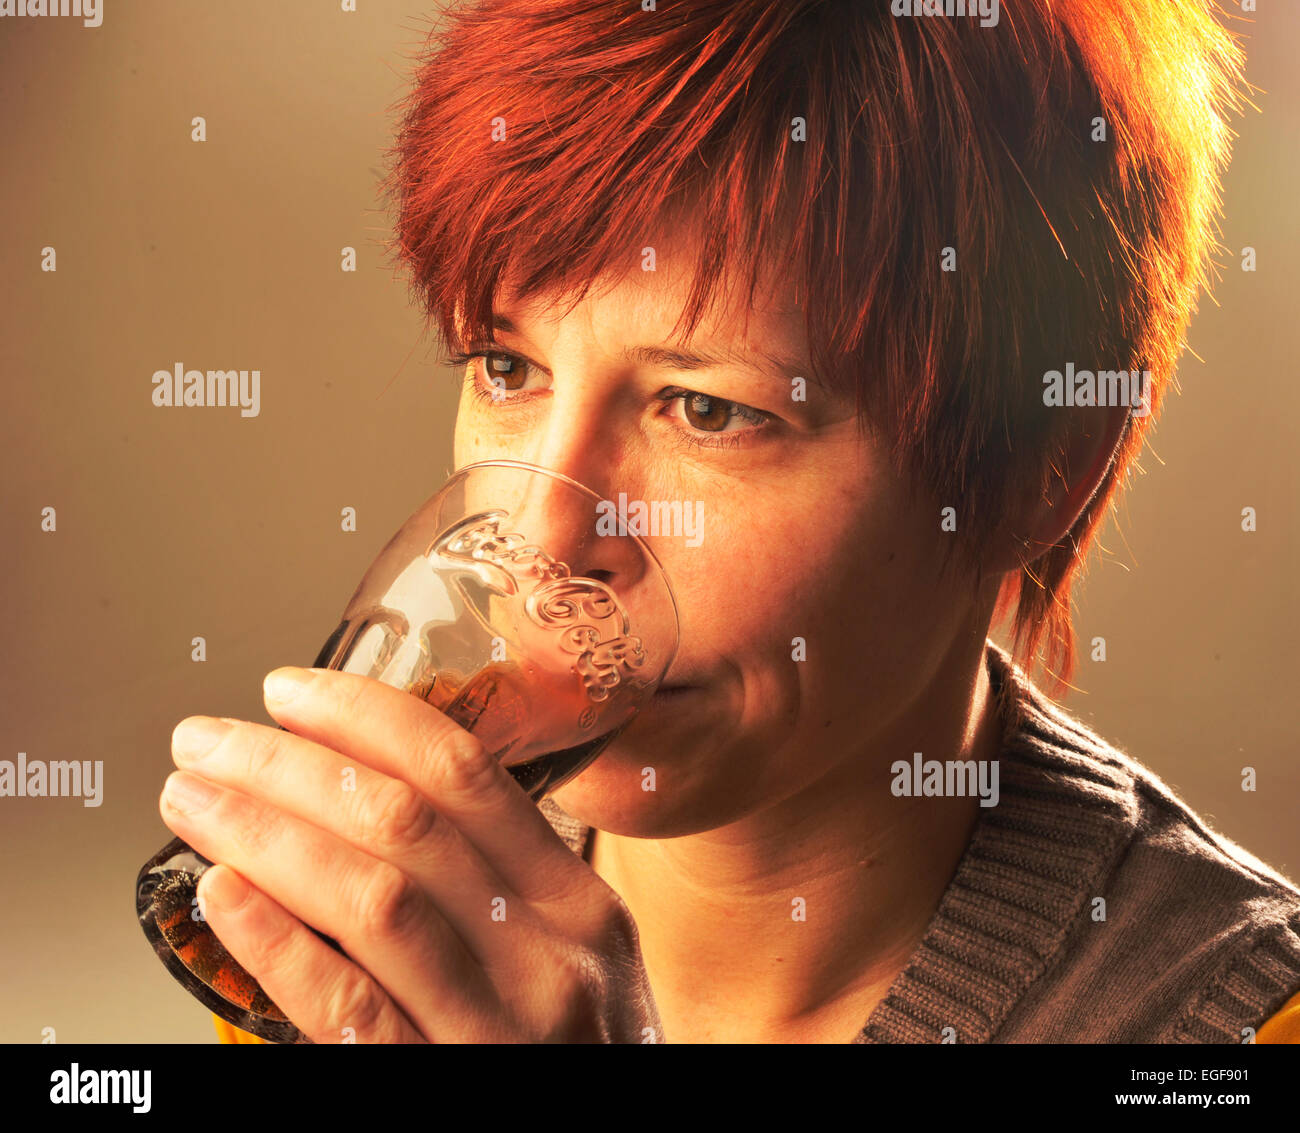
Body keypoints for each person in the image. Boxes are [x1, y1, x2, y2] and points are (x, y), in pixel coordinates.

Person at [199, 0, 1300, 1043]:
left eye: (711, 410)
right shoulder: (375, 919)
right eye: (506, 367)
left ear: (1041, 472)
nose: (542, 537)